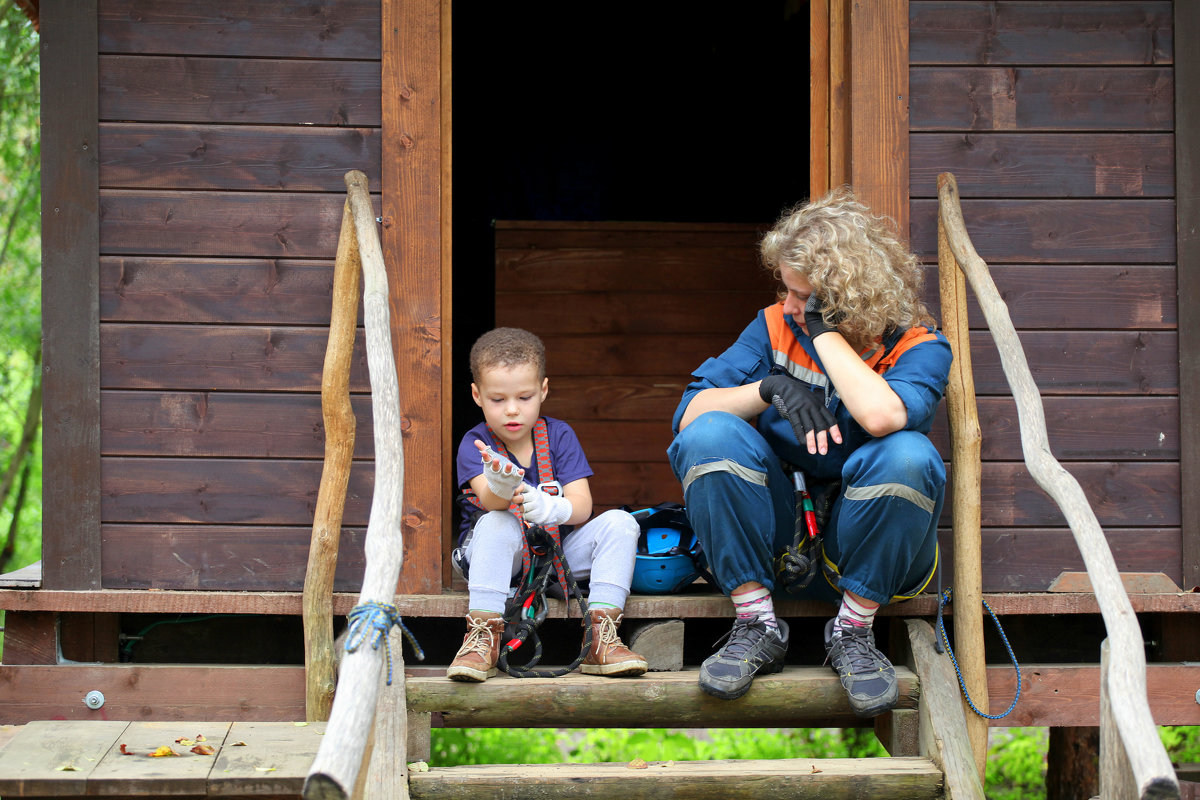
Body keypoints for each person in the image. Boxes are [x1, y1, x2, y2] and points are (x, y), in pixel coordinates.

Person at [668, 187, 952, 714]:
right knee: (709, 434)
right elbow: (688, 417)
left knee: (908, 454)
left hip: (868, 559)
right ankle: (756, 624)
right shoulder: (773, 325)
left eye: (803, 296)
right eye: (787, 290)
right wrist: (768, 389)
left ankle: (853, 633)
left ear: (843, 297)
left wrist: (824, 335)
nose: (789, 305)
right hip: (782, 547)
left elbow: (882, 416)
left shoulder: (920, 346)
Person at [447, 327, 648, 682]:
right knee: (496, 522)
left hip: (553, 554)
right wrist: (504, 483)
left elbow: (583, 506)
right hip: (497, 559)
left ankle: (602, 638)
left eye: (524, 397)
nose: (512, 410)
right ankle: (482, 638)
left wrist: (553, 508)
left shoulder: (559, 435)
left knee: (621, 522)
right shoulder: (475, 442)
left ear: (543, 390)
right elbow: (491, 501)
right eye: (498, 400)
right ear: (477, 395)